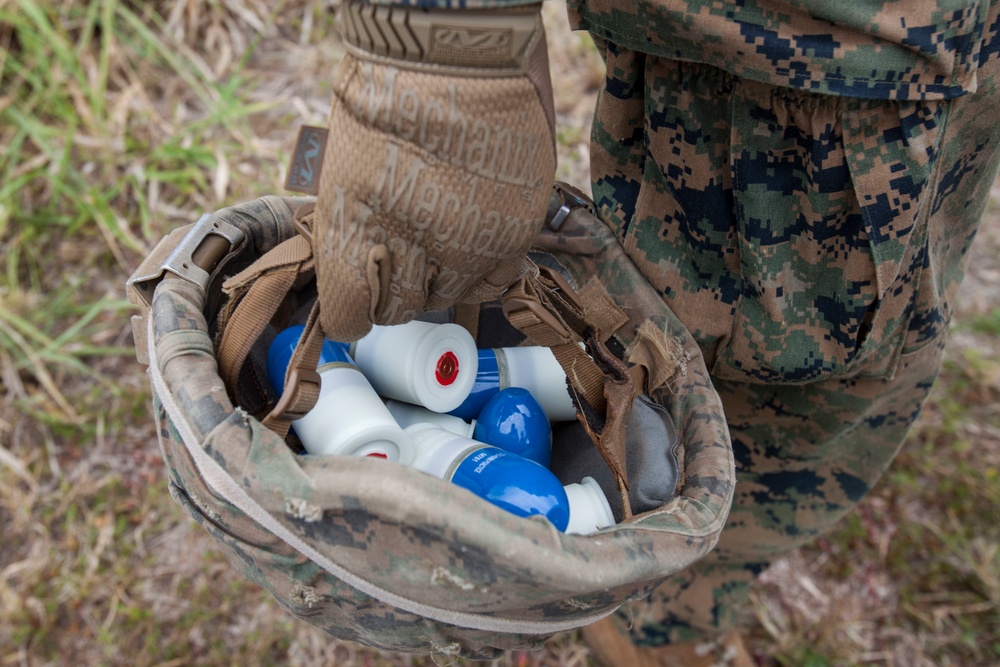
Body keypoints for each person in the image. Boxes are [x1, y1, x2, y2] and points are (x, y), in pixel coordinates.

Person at [315, 1, 1000, 664]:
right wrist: (435, 43)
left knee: (860, 357)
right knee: (730, 390)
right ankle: (655, 618)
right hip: (793, 56)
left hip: (934, 50)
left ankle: (671, 598)